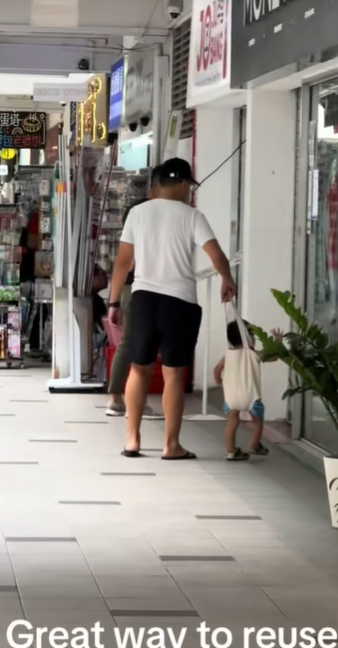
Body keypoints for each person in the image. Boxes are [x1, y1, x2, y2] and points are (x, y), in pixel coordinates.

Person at [108, 158, 236, 459]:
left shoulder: (137, 213)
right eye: (189, 187)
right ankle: (171, 445)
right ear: (182, 185)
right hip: (179, 303)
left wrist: (114, 301)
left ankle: (132, 440)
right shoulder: (192, 216)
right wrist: (226, 279)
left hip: (143, 300)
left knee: (138, 370)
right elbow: (216, 254)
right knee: (174, 375)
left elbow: (123, 262)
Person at [105, 195, 151, 417]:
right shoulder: (140, 239)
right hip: (138, 290)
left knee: (132, 343)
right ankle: (122, 399)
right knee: (134, 344)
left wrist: (114, 301)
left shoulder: (129, 237)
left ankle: (122, 398)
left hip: (131, 290)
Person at [214, 320, 282, 461]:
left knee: (231, 423)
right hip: (252, 398)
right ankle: (254, 445)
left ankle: (231, 451)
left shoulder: (227, 356)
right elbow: (274, 356)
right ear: (248, 337)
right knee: (257, 422)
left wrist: (219, 381)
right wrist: (278, 341)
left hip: (231, 399)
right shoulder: (253, 354)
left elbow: (217, 370)